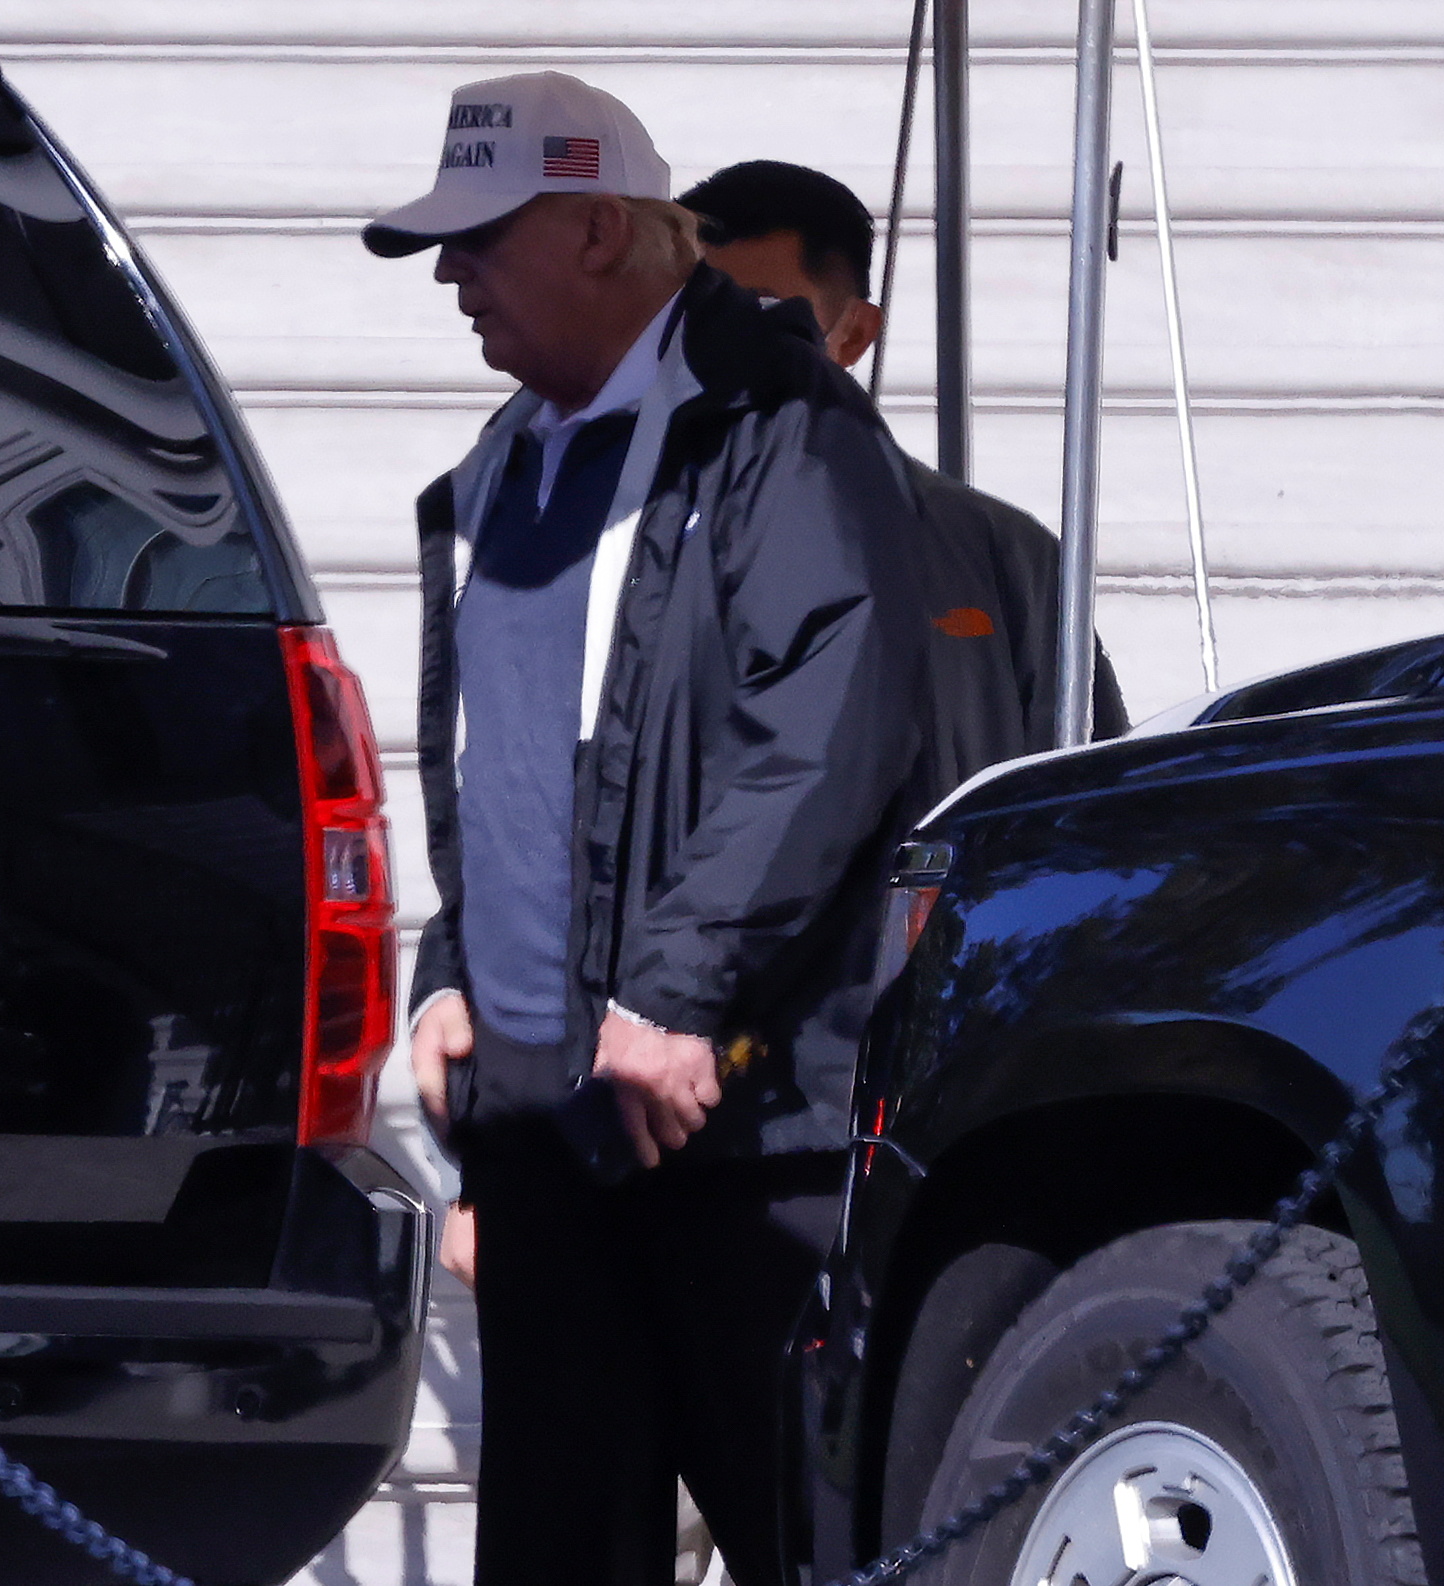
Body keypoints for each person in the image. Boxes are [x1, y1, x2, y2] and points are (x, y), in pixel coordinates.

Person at [366, 72, 927, 1586]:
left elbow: (828, 725)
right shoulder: (503, 461)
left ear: (600, 229)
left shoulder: (774, 422)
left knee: (798, 1527)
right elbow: (503, 766)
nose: (450, 274)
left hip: (728, 1114)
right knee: (558, 1538)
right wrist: (448, 974)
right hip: (543, 1119)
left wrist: (676, 1000)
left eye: (481, 237)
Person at [679, 158, 1129, 786]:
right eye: (686, 314)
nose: (713, 344)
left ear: (855, 335)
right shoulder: (609, 532)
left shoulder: (1000, 552)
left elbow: (1086, 798)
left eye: (759, 310)